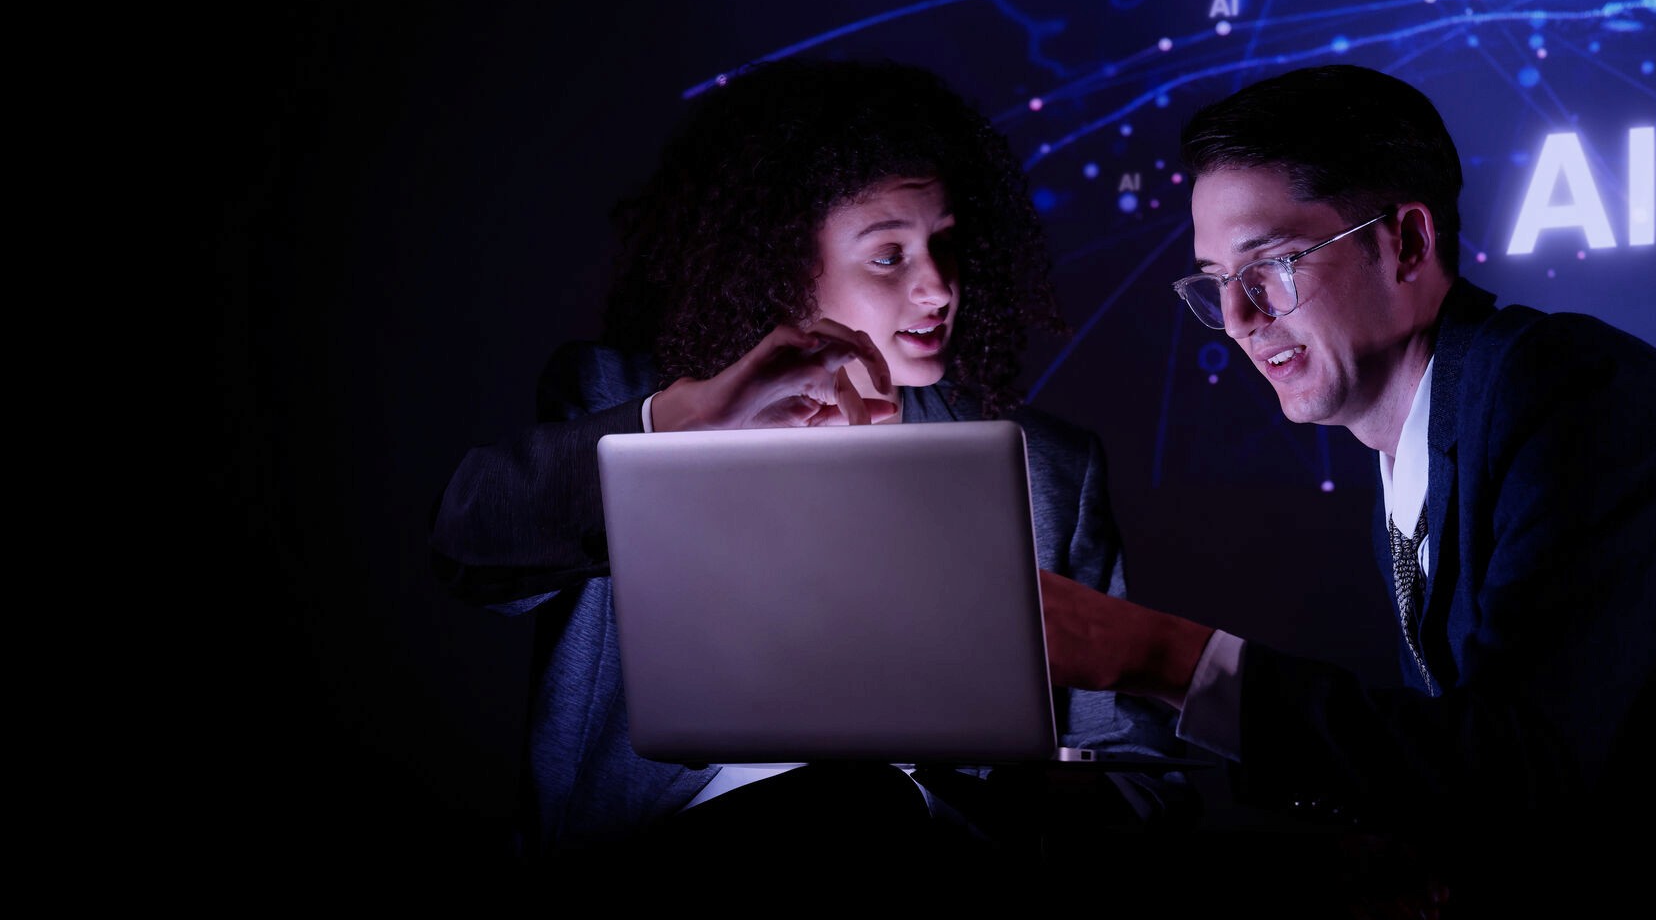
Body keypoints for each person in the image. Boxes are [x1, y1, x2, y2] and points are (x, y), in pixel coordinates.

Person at [1036, 64, 1656, 914]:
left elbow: (1521, 768)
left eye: (1273, 264)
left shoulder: (1569, 395)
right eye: (1218, 282)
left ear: (1407, 244)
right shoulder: (1421, 443)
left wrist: (1167, 656)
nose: (1237, 319)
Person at [429, 57, 1195, 877]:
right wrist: (689, 417)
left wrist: (991, 797)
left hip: (924, 857)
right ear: (784, 263)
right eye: (889, 255)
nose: (939, 287)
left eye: (944, 243)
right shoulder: (619, 396)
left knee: (867, 804)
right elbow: (470, 547)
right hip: (656, 859)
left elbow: (1140, 774)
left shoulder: (1049, 470)